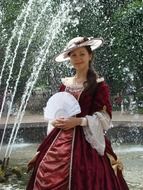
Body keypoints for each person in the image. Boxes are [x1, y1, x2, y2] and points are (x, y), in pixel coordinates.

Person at [26, 37, 129, 190]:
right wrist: (54, 121)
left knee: (86, 173)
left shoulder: (99, 85)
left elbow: (105, 117)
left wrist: (79, 121)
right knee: (44, 165)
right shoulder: (65, 84)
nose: (78, 58)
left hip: (86, 140)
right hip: (59, 137)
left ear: (90, 56)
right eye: (73, 55)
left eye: (82, 54)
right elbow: (57, 110)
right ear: (69, 59)